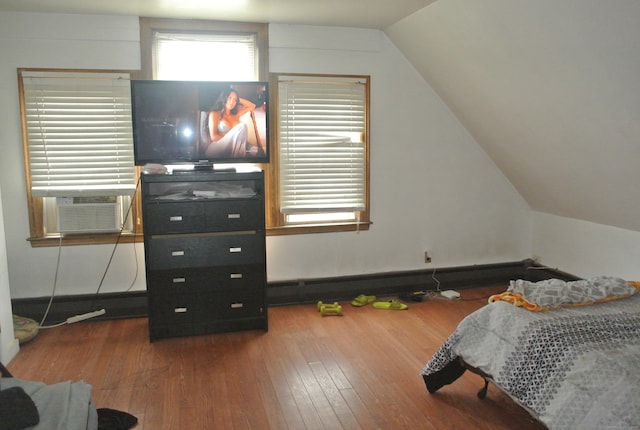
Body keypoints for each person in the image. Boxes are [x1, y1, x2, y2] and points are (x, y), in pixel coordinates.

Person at [205, 88, 256, 157]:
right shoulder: (215, 114)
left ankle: (237, 160)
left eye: (235, 100)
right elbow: (213, 137)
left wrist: (238, 98)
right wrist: (232, 139)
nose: (232, 102)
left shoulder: (236, 114)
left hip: (233, 147)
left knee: (254, 148)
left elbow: (252, 106)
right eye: (229, 98)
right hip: (218, 145)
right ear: (224, 98)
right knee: (242, 126)